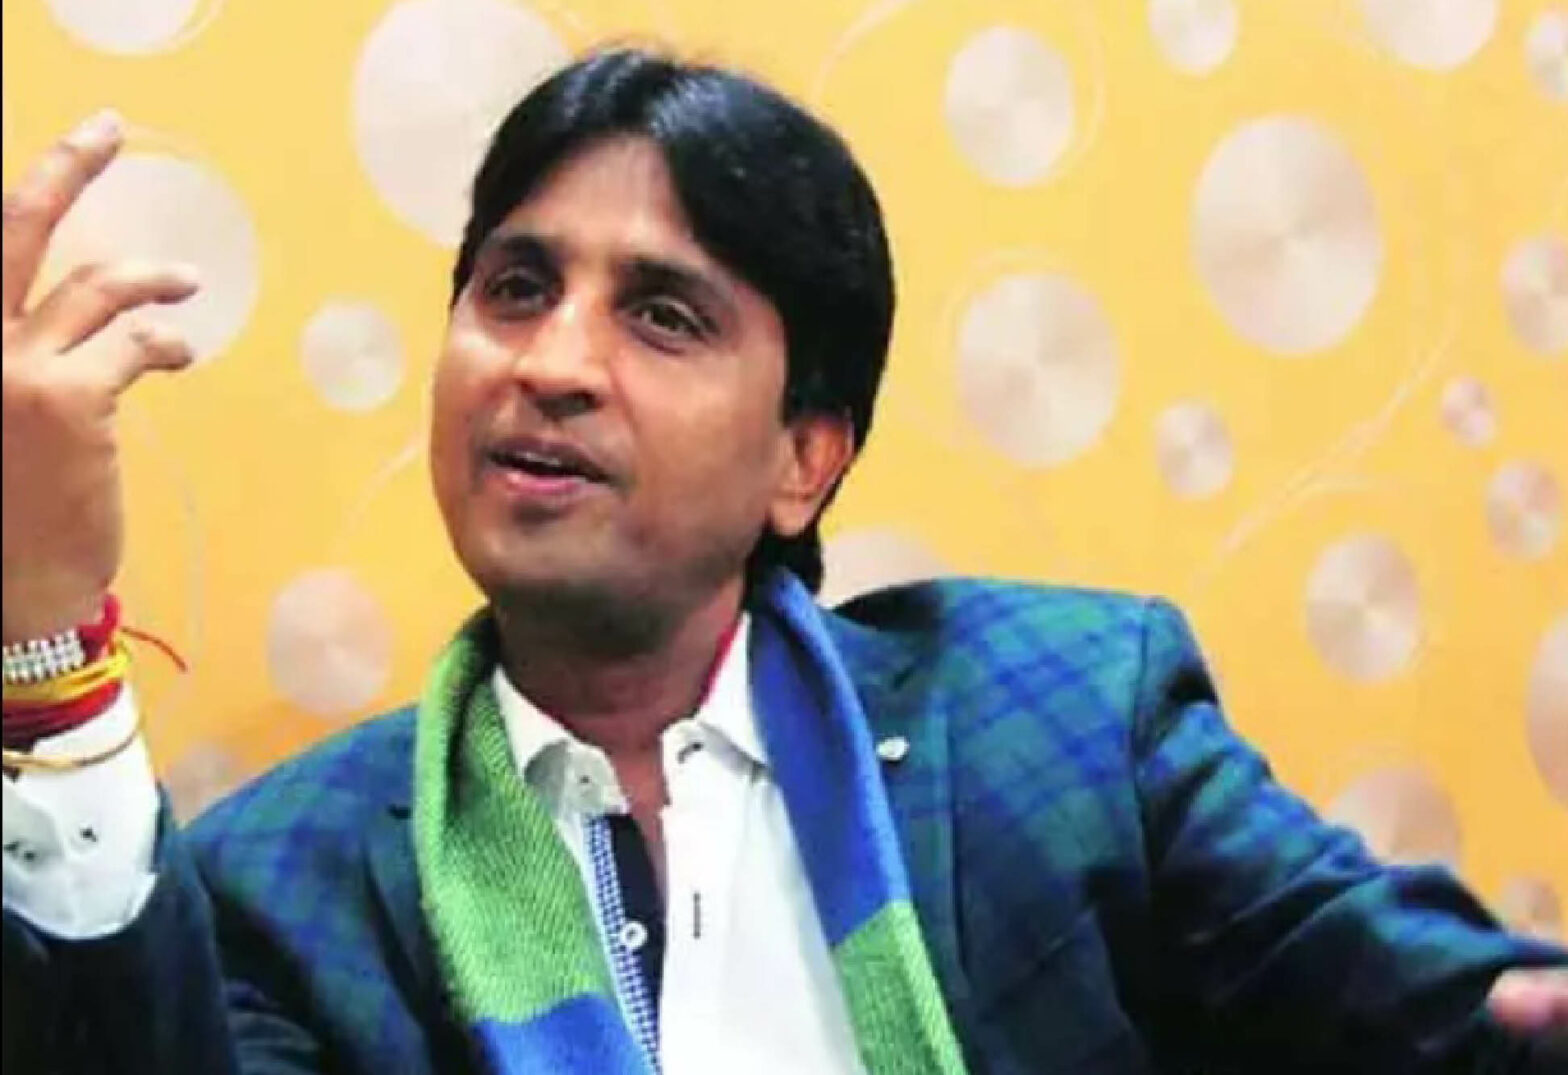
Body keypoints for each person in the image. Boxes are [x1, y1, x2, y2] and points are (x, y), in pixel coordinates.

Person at [1, 47, 1564, 1075]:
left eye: (662, 315)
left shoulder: (1071, 717)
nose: (550, 363)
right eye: (516, 288)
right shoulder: (282, 883)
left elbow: (1423, 1008)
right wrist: (45, 641)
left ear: (803, 459)